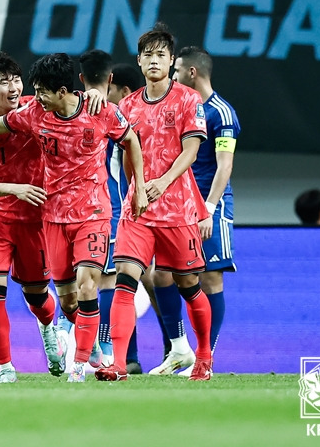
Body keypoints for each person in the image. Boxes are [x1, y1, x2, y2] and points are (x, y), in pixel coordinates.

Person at [0, 51, 147, 383]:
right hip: (35, 217)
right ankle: (19, 363)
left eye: (25, 84)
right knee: (55, 299)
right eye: (8, 82)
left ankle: (79, 364)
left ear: (60, 91)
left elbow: (127, 137)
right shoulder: (30, 114)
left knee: (82, 288)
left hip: (80, 214)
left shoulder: (85, 109)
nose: (24, 91)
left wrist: (138, 187)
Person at [95, 23, 214, 382]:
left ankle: (204, 356)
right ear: (139, 60)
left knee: (189, 285)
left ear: (171, 60)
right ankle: (118, 364)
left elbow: (191, 151)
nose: (154, 60)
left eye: (161, 54)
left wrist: (161, 182)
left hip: (178, 209)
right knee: (125, 279)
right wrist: (135, 191)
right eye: (147, 55)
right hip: (139, 211)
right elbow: (126, 155)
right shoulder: (128, 105)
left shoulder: (188, 100)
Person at [0, 51, 65, 382]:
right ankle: (6, 368)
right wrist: (14, 189)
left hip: (35, 217)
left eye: (17, 80)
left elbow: (69, 102)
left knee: (37, 296)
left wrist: (92, 91)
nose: (14, 88)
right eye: (5, 82)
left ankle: (49, 328)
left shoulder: (36, 109)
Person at [148, 46, 242, 377]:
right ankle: (179, 349)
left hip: (209, 204)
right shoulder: (180, 107)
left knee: (210, 277)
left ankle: (206, 357)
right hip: (177, 204)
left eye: (176, 71)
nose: (171, 76)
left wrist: (209, 209)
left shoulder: (222, 113)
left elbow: (224, 165)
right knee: (160, 275)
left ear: (192, 73)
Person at [83, 61, 146, 375]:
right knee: (116, 282)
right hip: (98, 208)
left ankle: (114, 354)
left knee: (112, 281)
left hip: (107, 207)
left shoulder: (112, 115)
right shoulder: (109, 112)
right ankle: (124, 356)